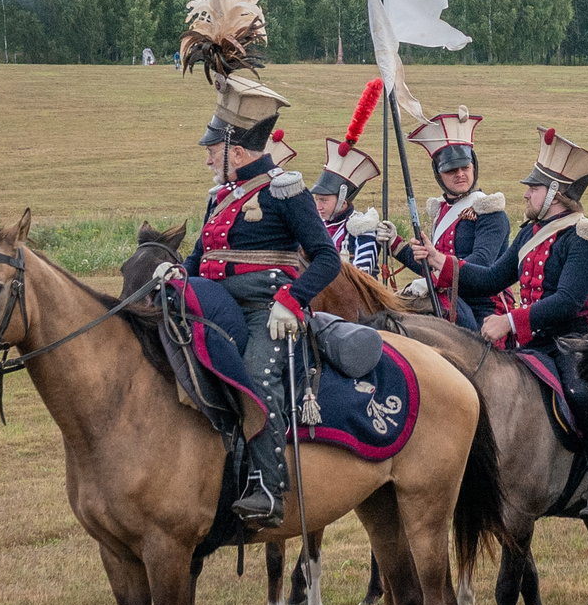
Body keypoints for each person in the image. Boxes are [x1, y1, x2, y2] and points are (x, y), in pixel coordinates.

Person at [191, 77, 342, 527]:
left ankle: (268, 488)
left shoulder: (285, 189)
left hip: (267, 312)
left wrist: (291, 301)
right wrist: (173, 273)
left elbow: (327, 259)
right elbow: (200, 256)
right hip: (216, 305)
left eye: (212, 150)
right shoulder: (218, 199)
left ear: (237, 152)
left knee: (256, 377)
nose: (207, 158)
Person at [451, 127, 588, 519]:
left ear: (556, 194)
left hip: (577, 340)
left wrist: (509, 321)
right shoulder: (530, 232)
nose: (526, 193)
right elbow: (493, 277)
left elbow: (566, 303)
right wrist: (440, 263)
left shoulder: (586, 238)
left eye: (534, 188)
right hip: (535, 341)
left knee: (580, 395)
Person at [393, 106, 511, 332]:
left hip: (482, 308)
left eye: (465, 167)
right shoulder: (442, 211)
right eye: (451, 170)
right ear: (439, 175)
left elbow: (481, 263)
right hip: (447, 301)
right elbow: (431, 268)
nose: (460, 175)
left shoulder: (489, 212)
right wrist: (394, 244)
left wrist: (435, 269)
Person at [310, 81, 386, 274]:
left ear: (343, 200)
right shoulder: (318, 224)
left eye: (324, 200)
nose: (318, 206)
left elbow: (362, 274)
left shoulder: (361, 227)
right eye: (318, 200)